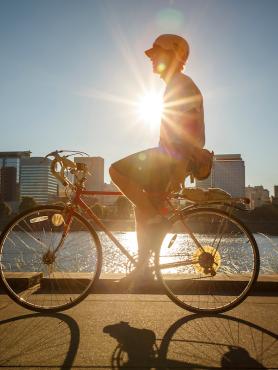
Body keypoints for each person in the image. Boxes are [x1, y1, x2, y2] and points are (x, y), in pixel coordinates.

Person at [109, 34, 205, 286]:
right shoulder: (174, 84)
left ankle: (156, 219)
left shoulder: (181, 84)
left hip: (171, 158)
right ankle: (143, 270)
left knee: (116, 171)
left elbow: (190, 131)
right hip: (170, 157)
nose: (151, 59)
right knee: (141, 208)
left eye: (156, 54)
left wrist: (179, 168)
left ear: (174, 56)